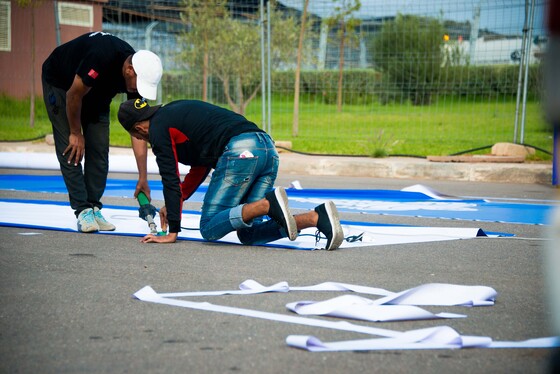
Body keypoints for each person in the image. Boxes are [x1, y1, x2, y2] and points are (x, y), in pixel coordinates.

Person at [117, 98, 344, 250]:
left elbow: (170, 176)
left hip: (241, 151)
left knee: (208, 227)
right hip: (267, 149)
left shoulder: (157, 128)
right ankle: (315, 218)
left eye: (139, 138)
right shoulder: (174, 114)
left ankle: (267, 205)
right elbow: (200, 166)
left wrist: (172, 230)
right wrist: (178, 201)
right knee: (249, 234)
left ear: (138, 130)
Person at [42, 32, 162, 233]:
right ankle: (82, 210)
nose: (137, 90)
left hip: (95, 95)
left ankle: (94, 206)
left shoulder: (136, 71)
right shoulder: (101, 56)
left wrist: (143, 176)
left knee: (99, 148)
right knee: (71, 148)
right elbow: (74, 95)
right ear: (129, 70)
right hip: (63, 85)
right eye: (138, 85)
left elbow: (137, 128)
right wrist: (75, 132)